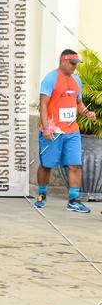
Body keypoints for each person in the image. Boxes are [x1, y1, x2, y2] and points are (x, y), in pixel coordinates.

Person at [35, 49, 95, 212]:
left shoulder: (77, 81)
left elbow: (78, 103)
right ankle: (41, 194)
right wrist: (46, 127)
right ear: (63, 61)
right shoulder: (50, 79)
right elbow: (43, 105)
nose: (74, 67)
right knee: (46, 165)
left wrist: (86, 112)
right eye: (72, 63)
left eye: (76, 64)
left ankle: (73, 200)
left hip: (72, 131)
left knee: (75, 165)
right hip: (53, 131)